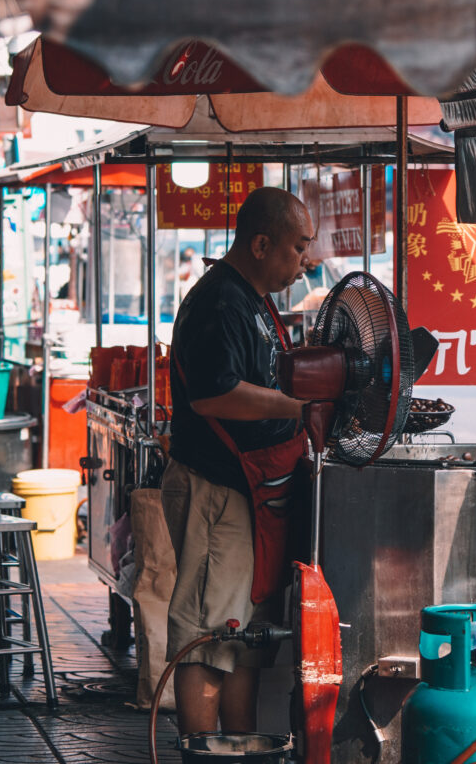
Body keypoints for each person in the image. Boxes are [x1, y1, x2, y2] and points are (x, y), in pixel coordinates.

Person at [161, 187, 314, 737]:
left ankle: (242, 749)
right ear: (260, 243)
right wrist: (299, 407)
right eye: (299, 247)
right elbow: (214, 394)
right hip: (214, 490)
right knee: (207, 635)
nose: (306, 260)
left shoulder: (255, 300)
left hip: (249, 494)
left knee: (242, 637)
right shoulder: (220, 301)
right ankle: (200, 752)